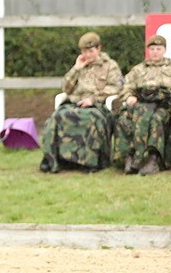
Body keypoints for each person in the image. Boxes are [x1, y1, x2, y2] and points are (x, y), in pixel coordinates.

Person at [39, 31, 123, 173]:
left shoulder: (110, 66)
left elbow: (116, 87)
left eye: (91, 51)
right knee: (57, 117)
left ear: (99, 48)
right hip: (74, 103)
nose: (87, 55)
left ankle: (89, 161)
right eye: (84, 52)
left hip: (97, 105)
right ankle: (52, 159)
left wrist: (93, 99)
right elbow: (66, 88)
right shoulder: (80, 66)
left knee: (91, 119)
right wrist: (76, 69)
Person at [112, 34, 171, 175]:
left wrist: (170, 95)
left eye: (158, 49)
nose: (155, 52)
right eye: (152, 49)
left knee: (156, 119)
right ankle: (129, 157)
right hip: (140, 104)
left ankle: (153, 159)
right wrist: (129, 96)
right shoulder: (138, 69)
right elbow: (126, 86)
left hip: (164, 106)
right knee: (123, 118)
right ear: (148, 50)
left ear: (164, 50)